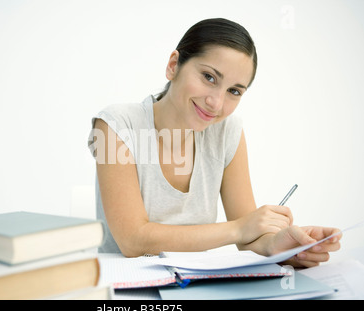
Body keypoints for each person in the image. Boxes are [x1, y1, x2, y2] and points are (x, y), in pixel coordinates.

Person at [88, 18, 341, 267]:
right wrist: (241, 228)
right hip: (126, 290)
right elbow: (133, 241)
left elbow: (248, 237)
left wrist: (278, 245)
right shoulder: (117, 125)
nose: (216, 104)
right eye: (209, 77)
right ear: (173, 65)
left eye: (234, 91)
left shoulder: (227, 131)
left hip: (197, 286)